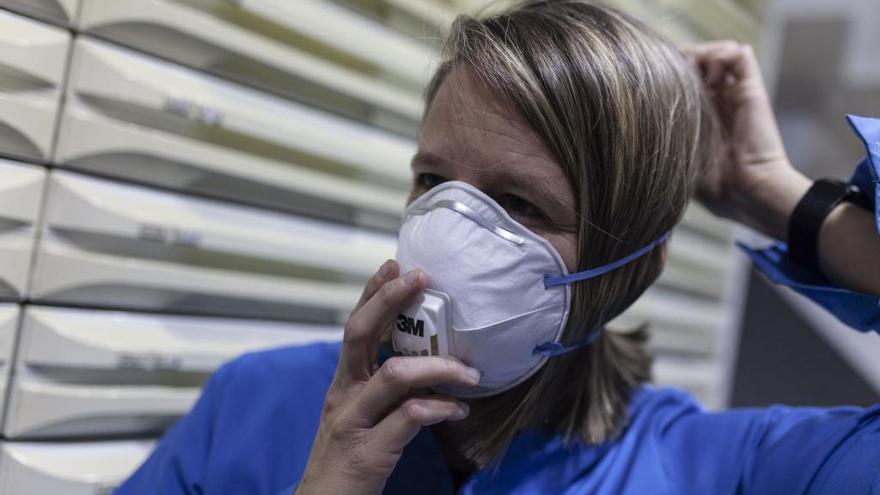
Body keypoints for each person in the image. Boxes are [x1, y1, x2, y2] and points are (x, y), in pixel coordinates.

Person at [116, 1, 880, 494]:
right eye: (432, 180)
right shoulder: (256, 404)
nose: (448, 237)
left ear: (634, 273)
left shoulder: (720, 470)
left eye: (519, 203)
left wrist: (781, 199)